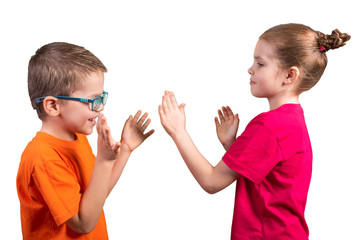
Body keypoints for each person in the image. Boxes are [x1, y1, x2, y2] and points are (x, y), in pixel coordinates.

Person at [158, 23, 350, 239]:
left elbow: (211, 182)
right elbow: (268, 176)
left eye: (260, 63)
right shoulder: (292, 121)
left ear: (289, 76)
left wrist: (177, 131)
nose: (251, 69)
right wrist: (233, 145)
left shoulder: (269, 125)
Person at [16, 42, 154, 239]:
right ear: (53, 106)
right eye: (92, 101)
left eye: (102, 98)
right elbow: (84, 223)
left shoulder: (76, 136)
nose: (100, 108)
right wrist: (104, 161)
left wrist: (125, 149)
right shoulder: (44, 158)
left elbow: (96, 196)